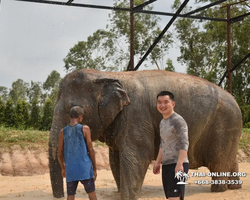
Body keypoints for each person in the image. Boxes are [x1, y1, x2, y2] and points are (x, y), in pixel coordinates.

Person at [153, 91, 189, 200]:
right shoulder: (162, 122)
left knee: (174, 198)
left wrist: (179, 164)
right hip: (167, 165)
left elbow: (184, 142)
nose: (162, 105)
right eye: (159, 102)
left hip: (177, 165)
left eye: (166, 102)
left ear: (173, 104)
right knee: (171, 197)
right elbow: (163, 144)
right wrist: (158, 162)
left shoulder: (178, 121)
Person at [57, 106, 97, 200]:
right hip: (85, 169)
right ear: (80, 117)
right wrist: (94, 168)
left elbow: (59, 153)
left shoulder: (62, 132)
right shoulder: (85, 129)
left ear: (69, 117)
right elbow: (91, 150)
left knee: (70, 196)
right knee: (92, 195)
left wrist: (63, 168)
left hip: (70, 169)